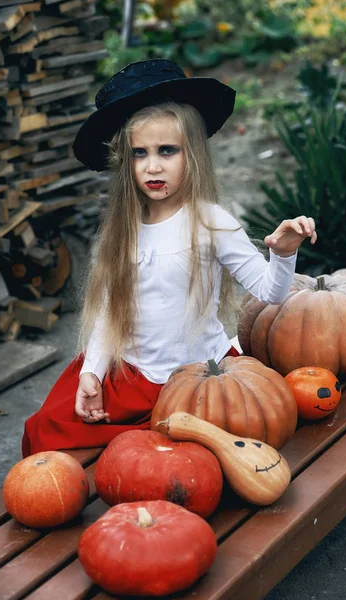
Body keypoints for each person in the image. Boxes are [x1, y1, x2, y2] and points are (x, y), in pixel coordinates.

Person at [22, 59, 317, 457]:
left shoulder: (211, 222)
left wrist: (283, 254)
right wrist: (92, 370)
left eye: (167, 150)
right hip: (132, 379)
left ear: (192, 152)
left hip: (200, 381)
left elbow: (272, 292)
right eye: (139, 154)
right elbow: (110, 311)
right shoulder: (123, 230)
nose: (153, 166)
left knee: (196, 456)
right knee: (45, 432)